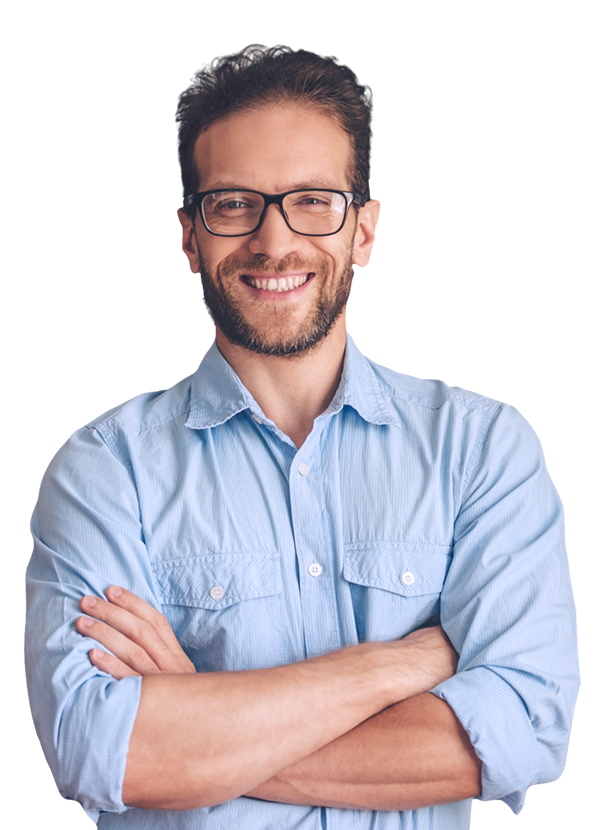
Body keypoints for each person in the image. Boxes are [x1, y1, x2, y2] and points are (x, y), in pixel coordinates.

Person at [24, 44, 579, 830]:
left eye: (313, 200)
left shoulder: (481, 450)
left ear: (366, 228)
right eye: (232, 203)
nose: (273, 241)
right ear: (188, 235)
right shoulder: (105, 471)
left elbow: (521, 729)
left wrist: (197, 726)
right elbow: (102, 752)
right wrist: (405, 663)